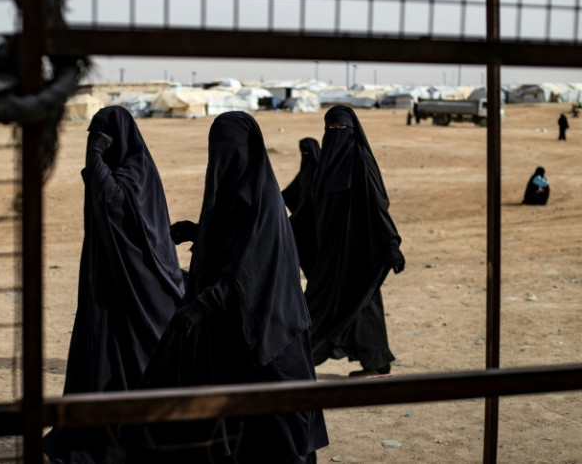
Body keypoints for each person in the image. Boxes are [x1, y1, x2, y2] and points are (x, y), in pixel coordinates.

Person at [125, 111, 328, 464]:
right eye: (214, 148)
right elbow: (232, 238)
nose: (220, 156)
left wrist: (201, 305)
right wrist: (197, 232)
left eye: (228, 147)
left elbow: (248, 266)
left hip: (269, 326)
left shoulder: (261, 199)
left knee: (281, 415)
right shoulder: (231, 190)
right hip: (235, 320)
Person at [43, 106, 184, 464]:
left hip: (139, 287)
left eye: (100, 135)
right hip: (108, 283)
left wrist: (94, 157)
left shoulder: (136, 169)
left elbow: (114, 204)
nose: (94, 142)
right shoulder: (113, 170)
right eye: (91, 136)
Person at [289, 105, 405, 377]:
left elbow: (378, 205)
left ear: (353, 131)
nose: (336, 133)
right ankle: (374, 364)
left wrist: (391, 244)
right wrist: (283, 230)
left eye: (342, 128)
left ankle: (301, 360)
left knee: (361, 302)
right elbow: (308, 207)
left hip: (359, 250)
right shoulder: (325, 166)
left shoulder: (360, 163)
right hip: (329, 253)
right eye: (331, 128)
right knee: (325, 301)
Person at [281, 137, 321, 214]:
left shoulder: (321, 172)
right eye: (303, 152)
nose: (305, 155)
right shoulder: (304, 171)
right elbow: (290, 191)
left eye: (307, 152)